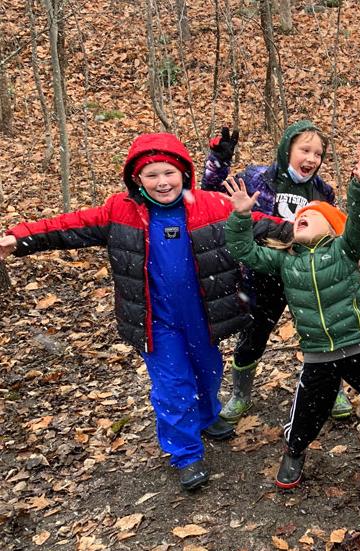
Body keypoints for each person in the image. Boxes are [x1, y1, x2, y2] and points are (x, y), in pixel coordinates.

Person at [0, 133, 292, 491]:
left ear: (183, 173)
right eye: (152, 175)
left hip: (203, 314)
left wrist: (311, 232)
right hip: (157, 321)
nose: (162, 182)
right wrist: (22, 237)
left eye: (168, 172)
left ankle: (206, 415)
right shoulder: (120, 211)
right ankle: (186, 453)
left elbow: (263, 224)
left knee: (208, 371)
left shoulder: (211, 205)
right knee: (173, 386)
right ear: (137, 179)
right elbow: (69, 226)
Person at [223, 145, 360, 489]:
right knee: (304, 415)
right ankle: (294, 450)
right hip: (316, 355)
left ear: (331, 228)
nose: (302, 216)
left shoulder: (344, 251)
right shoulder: (285, 262)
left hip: (356, 347)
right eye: (299, 217)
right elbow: (244, 251)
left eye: (311, 215)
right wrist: (240, 217)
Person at [202, 122, 353, 422]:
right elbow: (213, 196)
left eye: (318, 154)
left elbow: (332, 231)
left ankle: (333, 387)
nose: (311, 159)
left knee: (323, 332)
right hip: (261, 273)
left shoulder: (323, 191)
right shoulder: (257, 177)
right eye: (304, 150)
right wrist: (219, 161)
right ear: (287, 149)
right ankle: (240, 393)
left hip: (306, 275)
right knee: (253, 335)